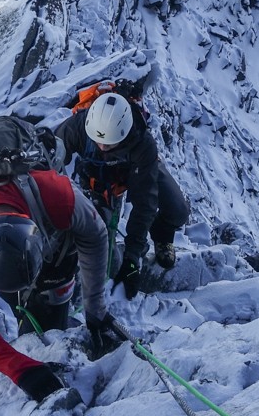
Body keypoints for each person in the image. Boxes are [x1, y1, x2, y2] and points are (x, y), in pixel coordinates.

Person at [0, 117, 123, 403]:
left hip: (57, 259)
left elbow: (95, 235)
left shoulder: (55, 194)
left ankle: (53, 322)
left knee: (52, 306)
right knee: (24, 305)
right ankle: (32, 321)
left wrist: (95, 310)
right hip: (13, 271)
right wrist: (21, 370)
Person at [55, 89, 191, 298]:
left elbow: (144, 201)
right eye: (98, 141)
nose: (102, 146)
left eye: (108, 144)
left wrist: (132, 257)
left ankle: (162, 236)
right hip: (98, 181)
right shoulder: (78, 127)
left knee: (178, 210)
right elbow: (51, 158)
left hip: (139, 170)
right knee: (99, 247)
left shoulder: (143, 143)